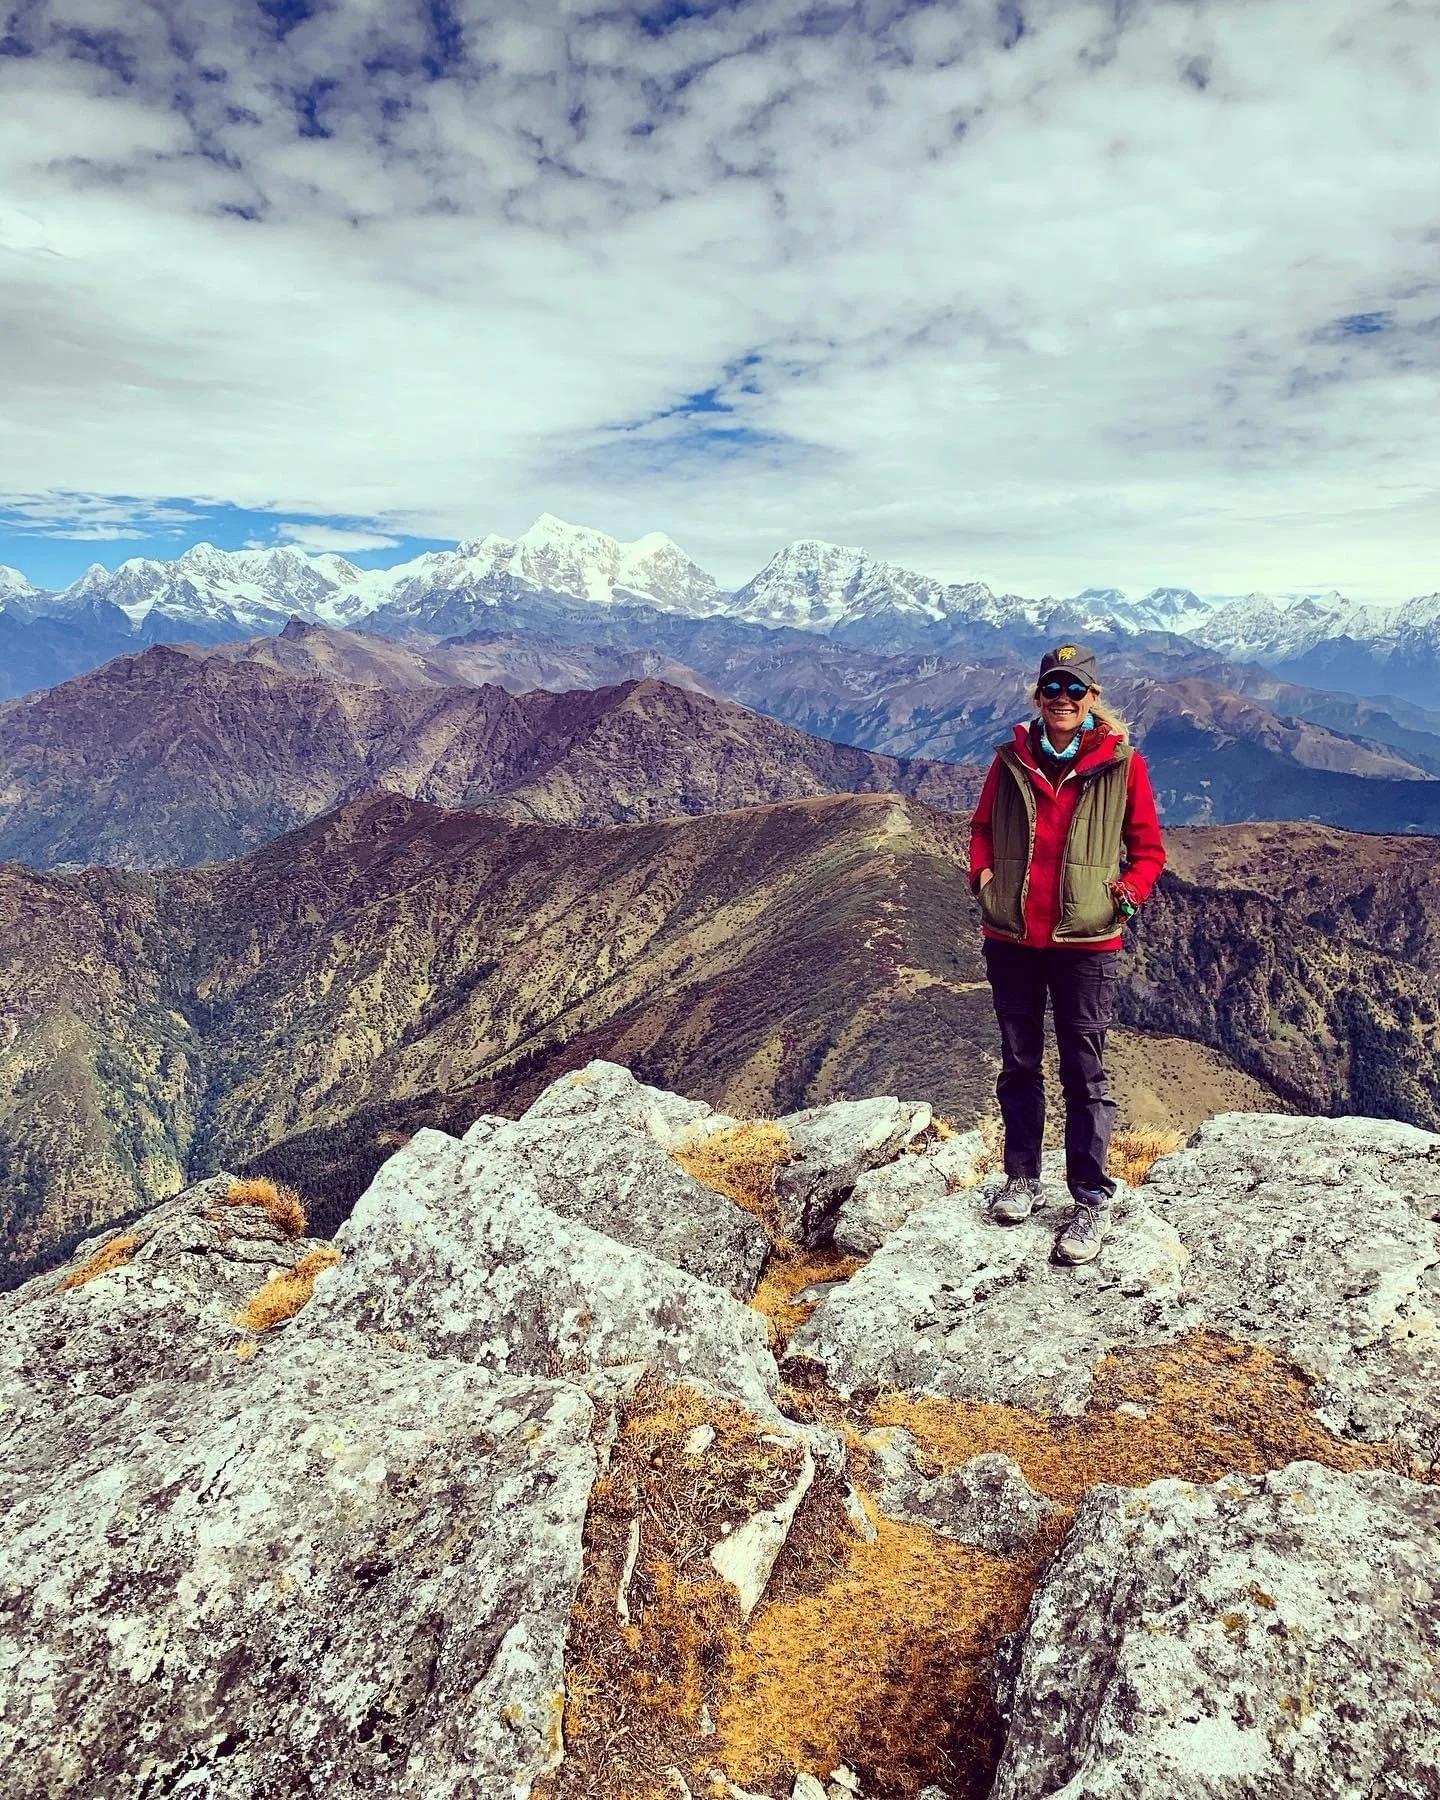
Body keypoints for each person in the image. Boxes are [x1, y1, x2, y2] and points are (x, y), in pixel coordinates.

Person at [967, 644, 1166, 1265]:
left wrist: (1125, 896)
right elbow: (980, 831)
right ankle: (1022, 1178)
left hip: (1086, 942)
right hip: (1015, 938)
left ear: (1092, 700)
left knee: (1085, 1069)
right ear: (1038, 695)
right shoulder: (1011, 761)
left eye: (1073, 690)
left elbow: (1149, 850)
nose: (1062, 699)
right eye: (1052, 688)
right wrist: (983, 879)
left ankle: (1090, 1197)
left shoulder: (1123, 766)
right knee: (1019, 1062)